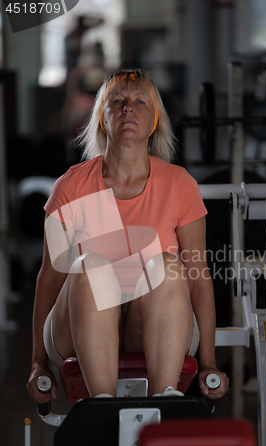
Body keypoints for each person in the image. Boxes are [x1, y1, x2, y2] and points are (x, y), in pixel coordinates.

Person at [27, 69, 229, 403]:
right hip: (76, 324)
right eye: (116, 101)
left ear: (154, 120)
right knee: (91, 263)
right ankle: (101, 409)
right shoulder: (72, 185)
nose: (127, 109)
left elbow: (198, 278)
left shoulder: (179, 185)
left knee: (168, 265)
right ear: (103, 119)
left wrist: (208, 362)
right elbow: (49, 278)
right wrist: (37, 363)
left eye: (139, 101)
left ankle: (165, 401)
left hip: (147, 321)